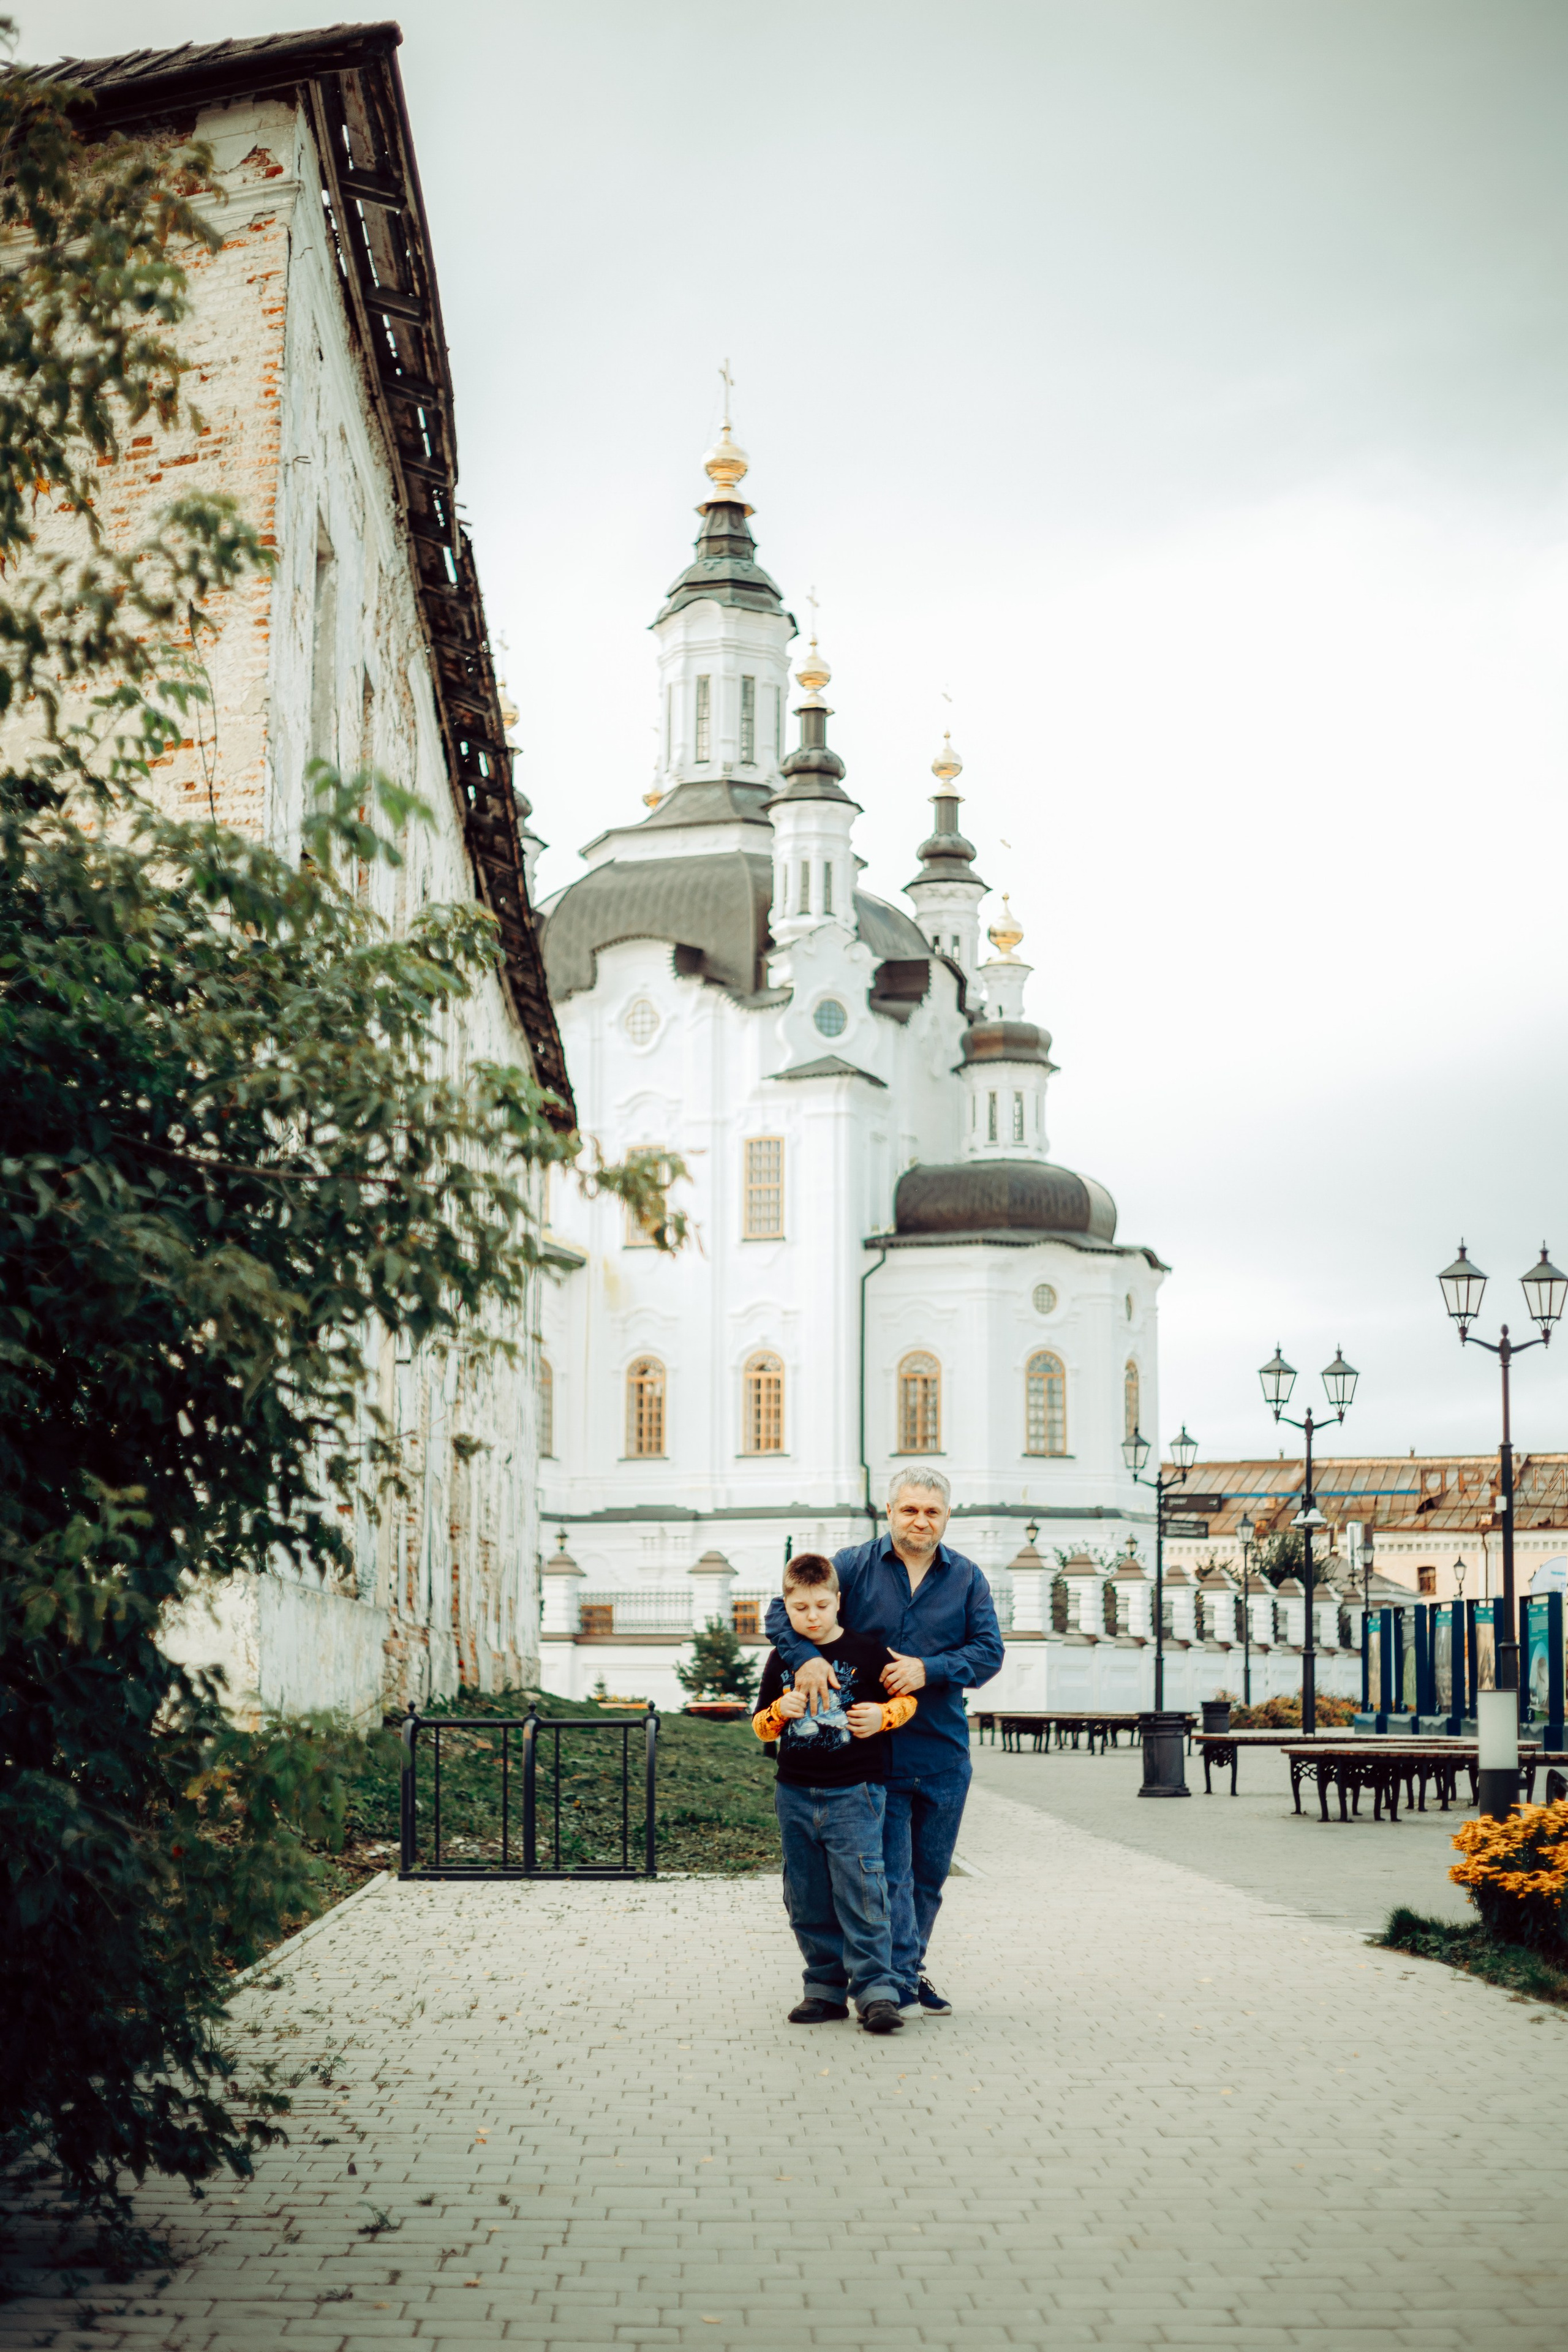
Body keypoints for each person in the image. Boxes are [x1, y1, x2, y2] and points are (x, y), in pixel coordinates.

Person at [764, 1469, 1003, 2019]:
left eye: (933, 1512)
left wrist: (932, 1669)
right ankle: (886, 1985)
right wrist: (808, 1658)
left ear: (946, 1517)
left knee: (929, 1878)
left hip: (942, 1751)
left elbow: (989, 1652)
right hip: (874, 1756)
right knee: (888, 1875)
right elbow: (786, 1609)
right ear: (889, 1510)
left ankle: (906, 1971)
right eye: (910, 1510)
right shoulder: (852, 1565)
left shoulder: (966, 1578)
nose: (921, 1521)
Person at [752, 1551, 918, 2034]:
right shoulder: (781, 1657)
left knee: (863, 1892)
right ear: (787, 1606)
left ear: (838, 1601)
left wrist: (883, 1718)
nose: (812, 1617)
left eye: (822, 1606)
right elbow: (762, 1729)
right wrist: (781, 1710)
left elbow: (907, 1700)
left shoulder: (867, 1651)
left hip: (856, 1794)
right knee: (807, 1896)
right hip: (796, 1795)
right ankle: (823, 1991)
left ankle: (876, 1993)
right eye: (800, 1608)